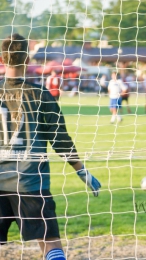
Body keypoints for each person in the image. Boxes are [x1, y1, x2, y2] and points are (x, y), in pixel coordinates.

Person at [0, 34, 101, 260]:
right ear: (27, 59)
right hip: (29, 180)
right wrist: (80, 170)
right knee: (49, 241)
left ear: (2, 59)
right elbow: (60, 139)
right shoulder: (40, 94)